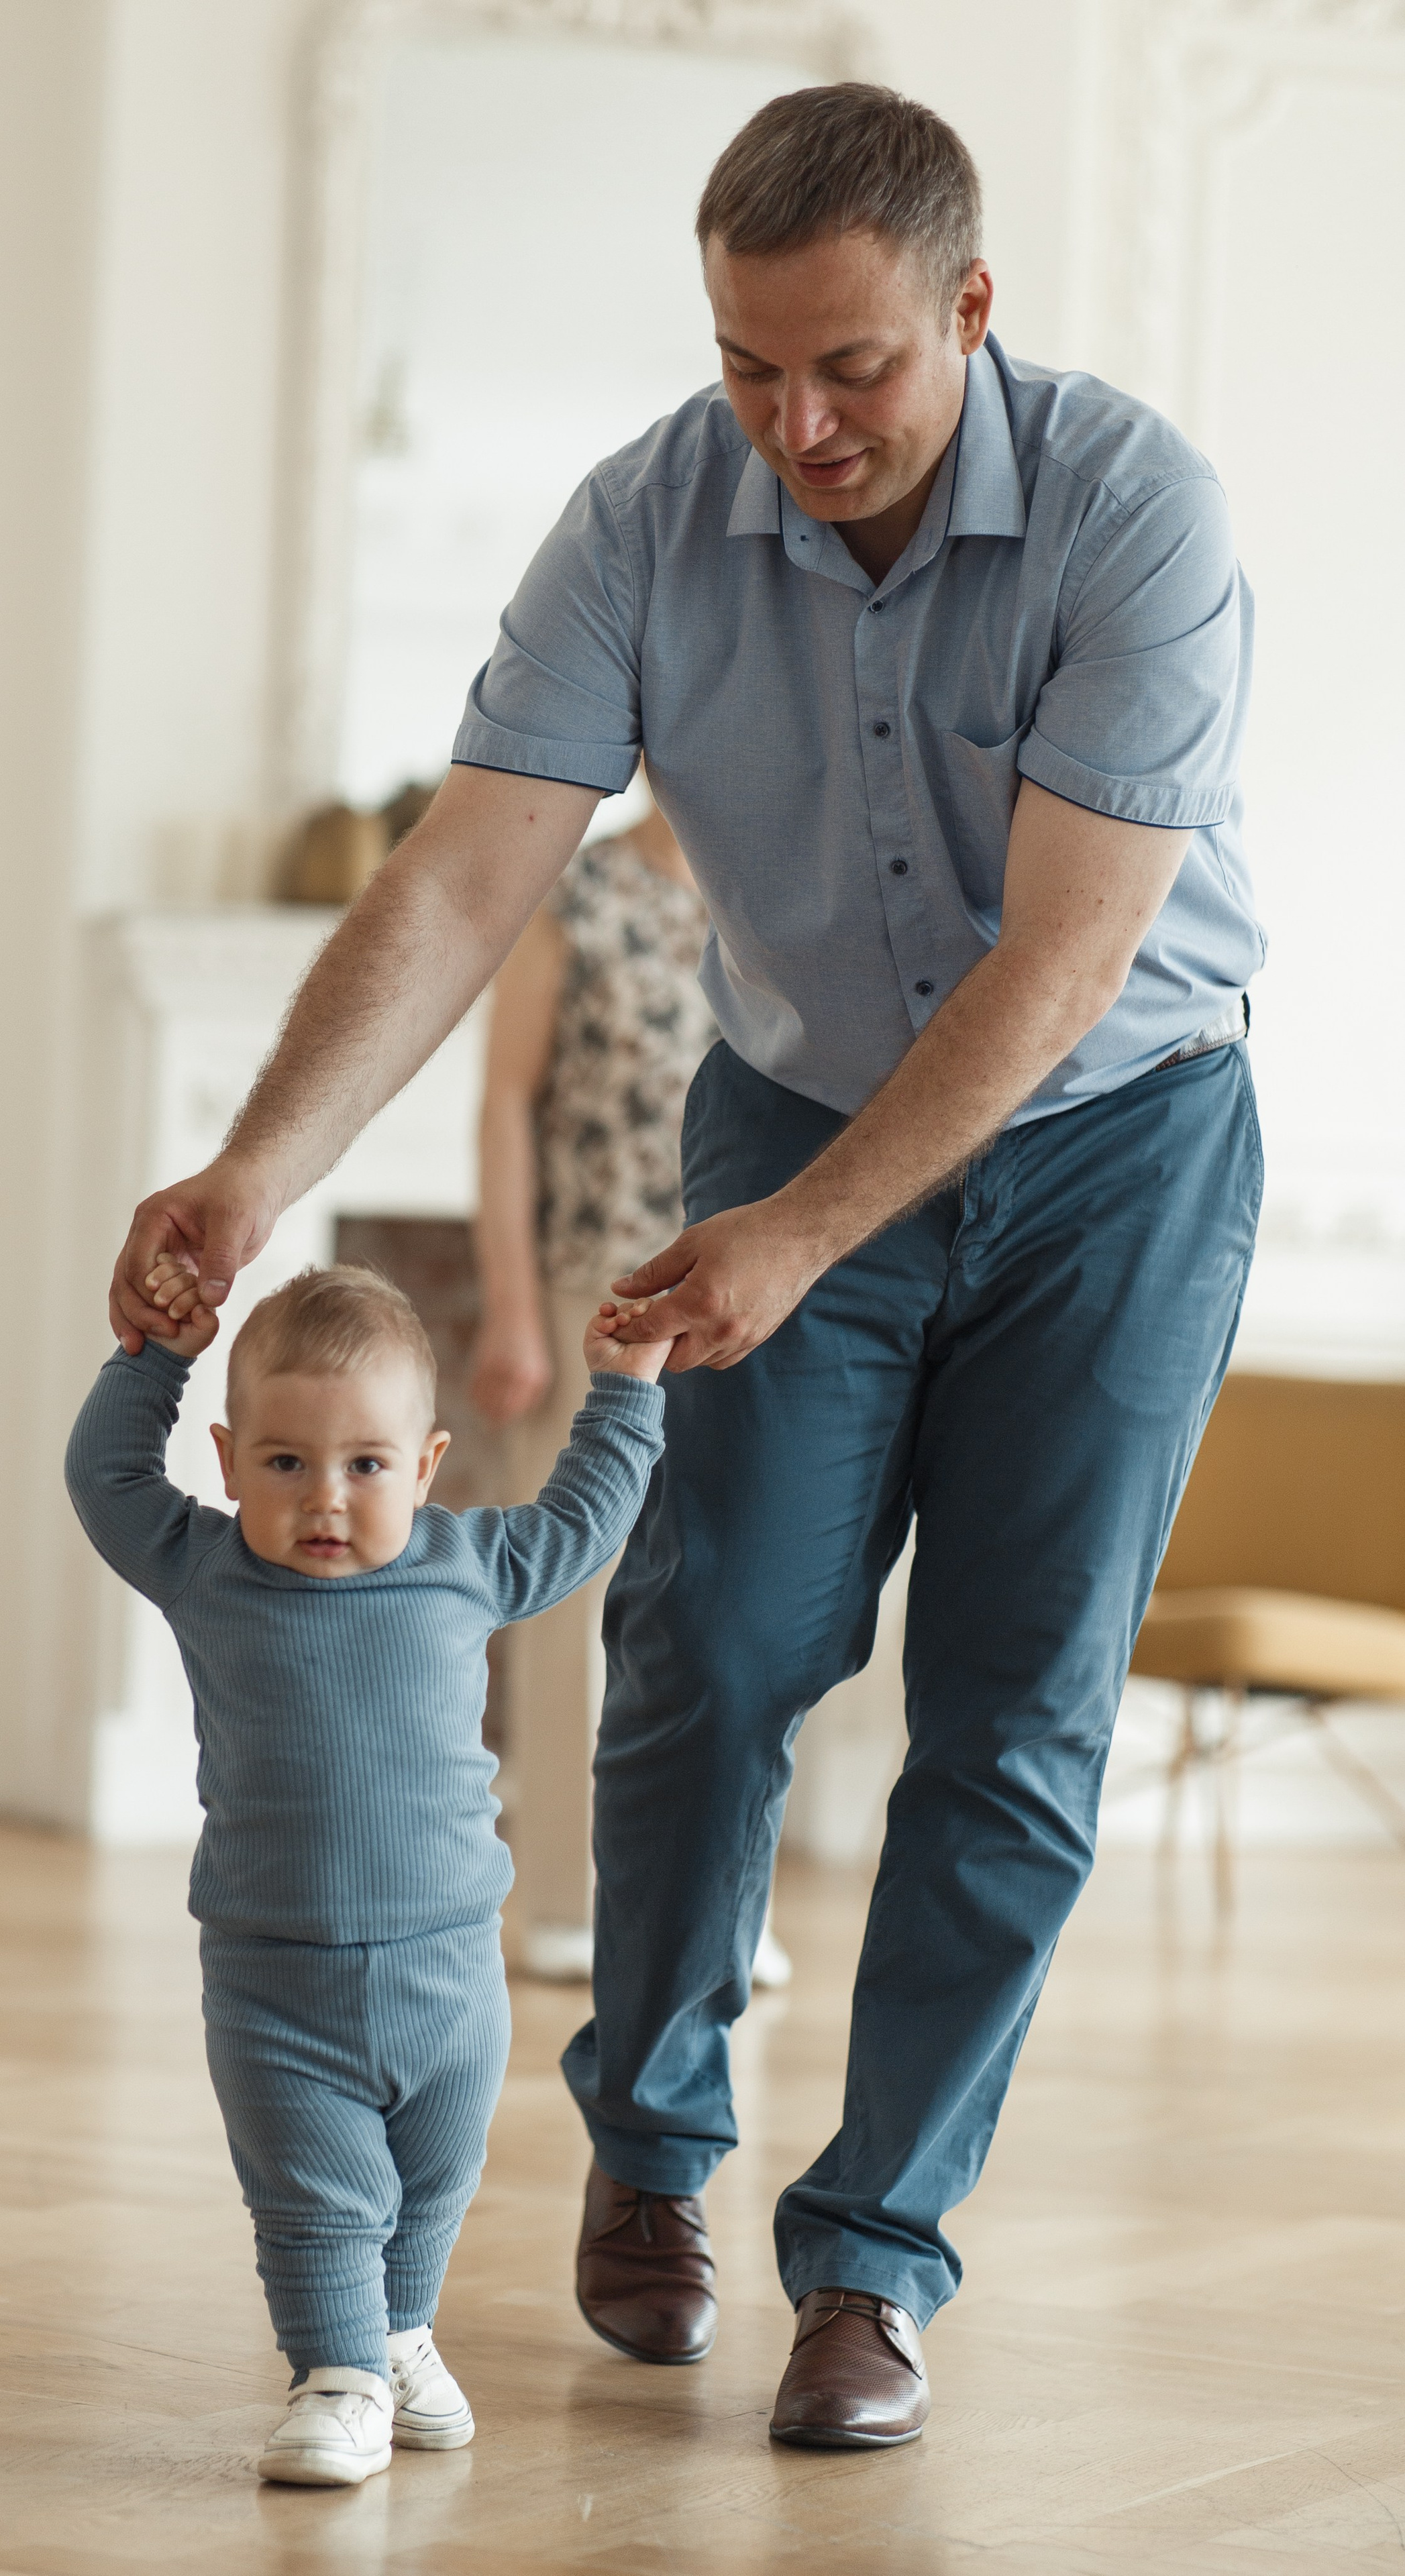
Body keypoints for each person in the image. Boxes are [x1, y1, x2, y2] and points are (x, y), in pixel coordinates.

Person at [107, 83, 1263, 2452]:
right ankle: (651, 2146)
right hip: (790, 1106)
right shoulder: (649, 514)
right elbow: (464, 880)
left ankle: (875, 2266)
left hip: (1117, 1144)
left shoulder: (1141, 518)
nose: (794, 424)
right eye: (749, 366)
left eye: (848, 369)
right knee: (707, 1642)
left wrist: (801, 1229)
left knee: (1018, 1721)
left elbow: (1056, 970)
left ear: (971, 308)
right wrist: (249, 1171)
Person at [65, 1261, 673, 2485]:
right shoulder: (207, 1567)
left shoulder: (466, 1564)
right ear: (230, 1465)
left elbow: (588, 1515)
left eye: (366, 1465)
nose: (326, 1498)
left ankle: (397, 2336)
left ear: (428, 1465)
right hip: (276, 1978)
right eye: (285, 1464)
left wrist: (625, 1389)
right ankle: (335, 2373)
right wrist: (155, 1361)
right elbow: (106, 1478)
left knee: (436, 2181)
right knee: (318, 2197)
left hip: (453, 1973)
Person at [472, 782, 792, 1986]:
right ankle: (559, 1894)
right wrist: (511, 1305)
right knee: (574, 1597)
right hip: (594, 1292)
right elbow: (507, 1103)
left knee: (746, 1593)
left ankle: (723, 1903)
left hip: (754, 1300)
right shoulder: (580, 894)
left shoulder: (792, 899)